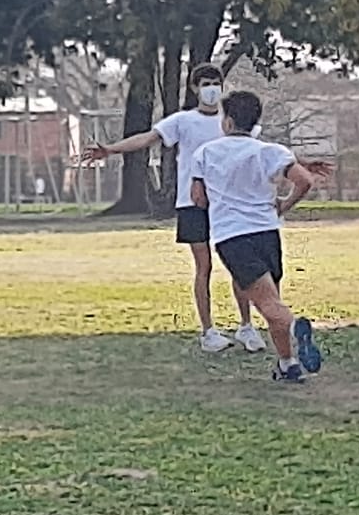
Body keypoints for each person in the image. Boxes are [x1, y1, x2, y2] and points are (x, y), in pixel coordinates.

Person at [84, 62, 265, 354]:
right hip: (192, 203)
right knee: (204, 267)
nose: (211, 89)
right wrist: (111, 149)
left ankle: (246, 326)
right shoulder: (183, 120)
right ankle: (209, 332)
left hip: (227, 203)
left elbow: (261, 153)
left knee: (238, 264)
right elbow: (148, 138)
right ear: (195, 88)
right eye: (205, 84)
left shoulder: (233, 121)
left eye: (215, 83)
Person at [189, 91, 325, 384]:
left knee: (269, 306)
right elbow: (305, 181)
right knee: (273, 301)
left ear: (227, 121)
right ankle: (287, 364)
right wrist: (284, 205)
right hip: (267, 233)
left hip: (233, 237)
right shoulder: (271, 151)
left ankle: (295, 330)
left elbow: (197, 197)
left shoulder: (206, 153)